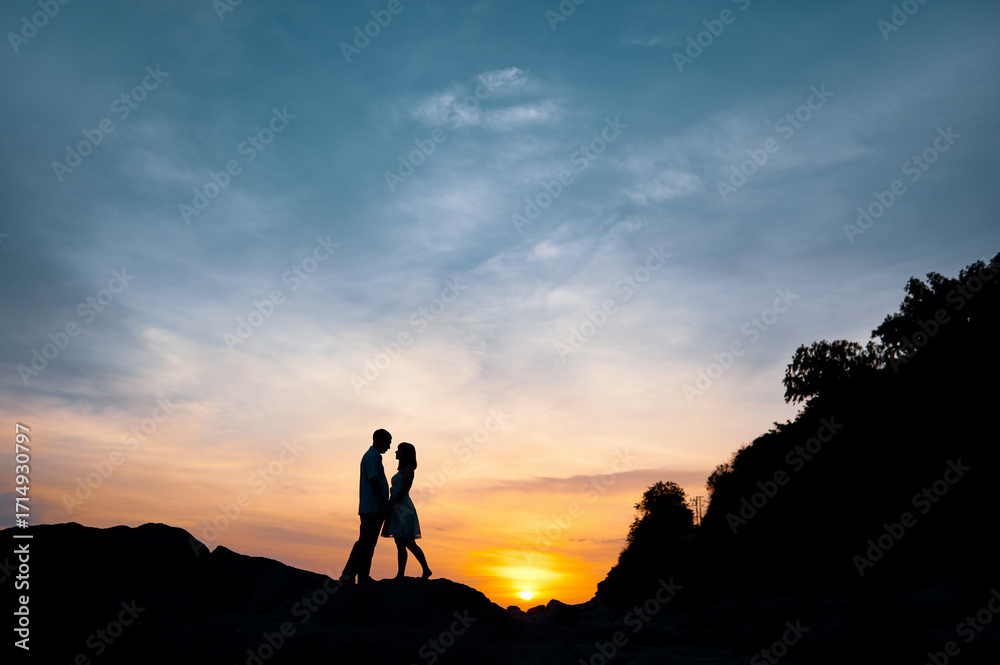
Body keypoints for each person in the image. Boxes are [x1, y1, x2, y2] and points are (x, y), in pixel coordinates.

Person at [340, 429, 391, 584]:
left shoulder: (374, 457)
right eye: (388, 443)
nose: (388, 447)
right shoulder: (372, 457)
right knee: (365, 542)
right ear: (380, 440)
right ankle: (348, 575)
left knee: (369, 543)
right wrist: (383, 502)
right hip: (372, 507)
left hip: (374, 507)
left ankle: (362, 576)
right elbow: (374, 480)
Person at [381, 442, 432, 579]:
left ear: (405, 453)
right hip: (397, 507)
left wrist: (391, 504)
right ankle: (400, 574)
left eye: (399, 450)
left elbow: (403, 490)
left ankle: (426, 569)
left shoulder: (409, 469)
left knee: (409, 542)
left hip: (403, 508)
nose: (396, 452)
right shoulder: (402, 470)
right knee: (400, 543)